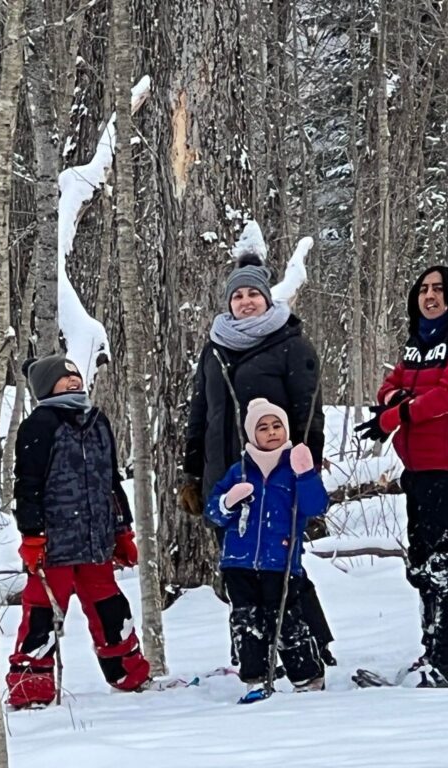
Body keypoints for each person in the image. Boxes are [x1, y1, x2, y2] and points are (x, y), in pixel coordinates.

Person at [180, 251, 337, 665]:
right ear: (228, 302)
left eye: (254, 294)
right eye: (238, 296)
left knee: (281, 565)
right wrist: (192, 473)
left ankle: (309, 645)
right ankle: (253, 653)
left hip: (277, 474)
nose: (246, 301)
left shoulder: (290, 344)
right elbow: (201, 413)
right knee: (239, 566)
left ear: (267, 299)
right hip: (225, 474)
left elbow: (308, 413)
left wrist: (308, 469)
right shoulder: (214, 348)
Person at [355, 265, 448, 688]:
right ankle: (433, 649)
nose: (429, 296)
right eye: (423, 289)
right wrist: (400, 400)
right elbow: (388, 387)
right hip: (416, 466)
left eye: (438, 289)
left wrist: (398, 411)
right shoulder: (417, 344)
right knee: (422, 562)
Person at [6, 354, 151, 708]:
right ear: (45, 387)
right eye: (63, 377)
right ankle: (30, 687)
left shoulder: (98, 421)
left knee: (111, 607)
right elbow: (27, 487)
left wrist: (122, 531)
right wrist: (32, 535)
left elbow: (111, 482)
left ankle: (129, 674)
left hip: (95, 542)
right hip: (54, 544)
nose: (73, 381)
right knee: (41, 612)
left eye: (74, 375)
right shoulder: (38, 425)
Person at [206, 399, 329, 692]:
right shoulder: (239, 471)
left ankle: (308, 677)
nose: (271, 432)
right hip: (239, 561)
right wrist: (227, 502)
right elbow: (213, 514)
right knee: (247, 621)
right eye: (263, 428)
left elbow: (316, 506)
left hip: (281, 560)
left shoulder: (294, 468)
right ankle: (255, 679)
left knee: (286, 620)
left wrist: (307, 475)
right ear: (252, 435)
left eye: (277, 426)